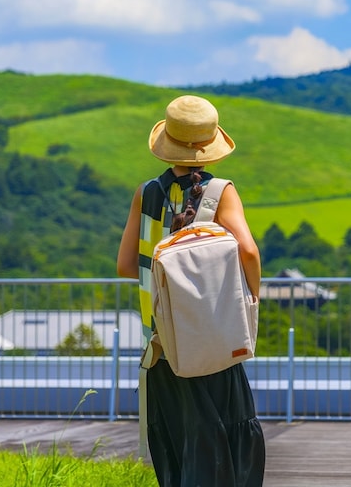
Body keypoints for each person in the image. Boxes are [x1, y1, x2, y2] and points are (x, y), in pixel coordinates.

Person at [116, 94, 266, 486]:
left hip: (161, 347)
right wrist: (251, 299)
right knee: (225, 451)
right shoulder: (220, 192)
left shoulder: (146, 193)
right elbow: (248, 251)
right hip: (212, 342)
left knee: (179, 450)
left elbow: (126, 266)